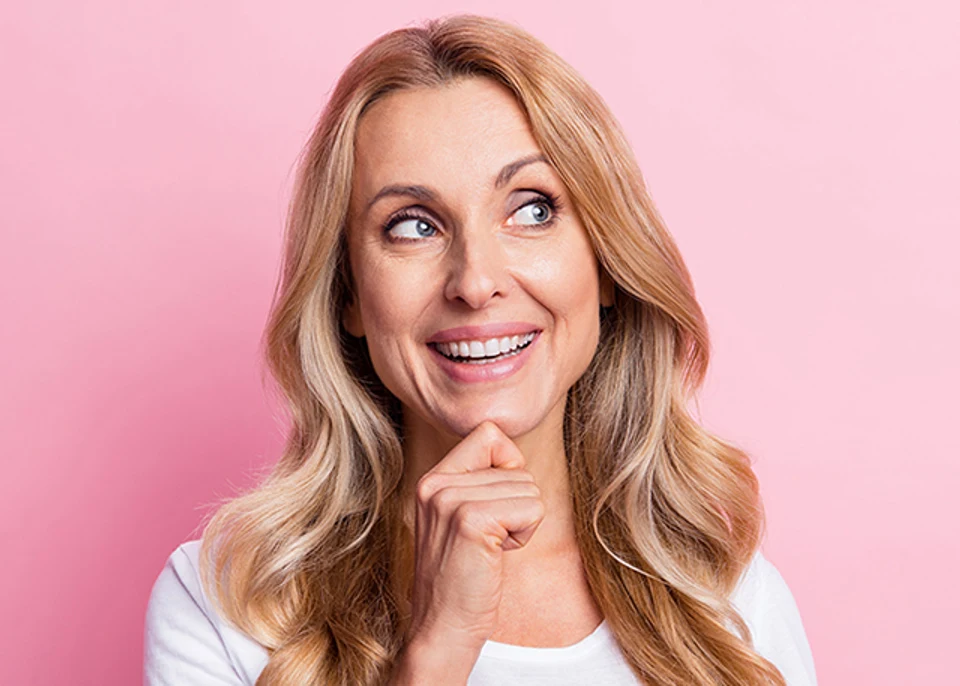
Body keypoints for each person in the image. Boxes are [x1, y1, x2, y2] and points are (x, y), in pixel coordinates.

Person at [144, 13, 817, 686]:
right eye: (413, 225)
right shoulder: (224, 611)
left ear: (606, 267)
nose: (475, 281)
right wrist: (438, 648)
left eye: (532, 209)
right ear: (348, 294)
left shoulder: (731, 606)